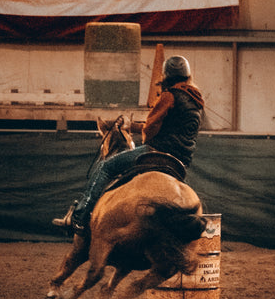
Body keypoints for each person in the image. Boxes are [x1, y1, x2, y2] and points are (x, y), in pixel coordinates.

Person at [53, 55, 205, 234]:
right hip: (181, 162)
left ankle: (79, 217)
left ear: (167, 77)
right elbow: (170, 126)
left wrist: (146, 137)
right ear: (187, 76)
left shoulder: (169, 95)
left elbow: (151, 128)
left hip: (158, 151)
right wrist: (131, 126)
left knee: (107, 166)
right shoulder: (197, 102)